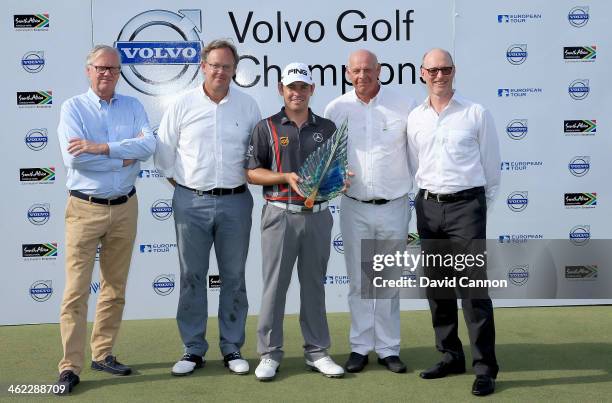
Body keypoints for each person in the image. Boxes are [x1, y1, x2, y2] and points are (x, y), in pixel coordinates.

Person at [155, 39, 260, 377]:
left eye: (226, 66)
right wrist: (188, 190)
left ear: (234, 69)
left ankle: (232, 348)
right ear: (203, 66)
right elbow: (164, 156)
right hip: (191, 202)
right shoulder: (182, 104)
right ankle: (193, 349)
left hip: (236, 202)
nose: (220, 71)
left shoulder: (247, 106)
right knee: (191, 277)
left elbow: (256, 155)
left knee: (234, 278)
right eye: (214, 65)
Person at [55, 45, 156, 394]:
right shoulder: (73, 108)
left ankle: (103, 353)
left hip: (125, 207)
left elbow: (149, 146)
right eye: (100, 68)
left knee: (114, 288)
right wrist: (124, 157)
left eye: (112, 69)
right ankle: (69, 366)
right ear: (88, 70)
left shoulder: (133, 106)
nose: (106, 74)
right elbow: (75, 161)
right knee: (75, 292)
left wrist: (101, 148)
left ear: (119, 72)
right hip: (85, 208)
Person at [407, 48, 501, 396]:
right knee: (438, 288)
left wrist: (476, 206)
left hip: (466, 207)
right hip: (428, 207)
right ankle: (450, 355)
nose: (439, 75)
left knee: (474, 291)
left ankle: (485, 368)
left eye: (445, 69)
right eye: (432, 70)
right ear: (422, 73)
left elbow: (492, 168)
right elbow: (415, 163)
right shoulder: (415, 117)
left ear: (454, 71)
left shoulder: (476, 113)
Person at [245, 62, 345, 381]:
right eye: (291, 87)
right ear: (281, 89)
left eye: (303, 87)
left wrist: (341, 180)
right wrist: (284, 177)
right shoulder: (267, 127)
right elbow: (251, 172)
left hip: (317, 218)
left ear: (312, 90)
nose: (297, 92)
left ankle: (317, 352)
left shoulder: (327, 128)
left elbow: (336, 172)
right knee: (275, 287)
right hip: (279, 215)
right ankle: (270, 353)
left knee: (314, 286)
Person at [324, 49, 416, 374]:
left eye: (368, 69)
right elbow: (328, 160)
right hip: (354, 207)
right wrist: (336, 178)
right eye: (356, 71)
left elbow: (417, 154)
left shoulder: (403, 106)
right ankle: (360, 347)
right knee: (360, 281)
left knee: (388, 281)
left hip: (394, 206)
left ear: (379, 70)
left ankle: (389, 348)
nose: (362, 75)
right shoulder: (335, 109)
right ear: (348, 73)